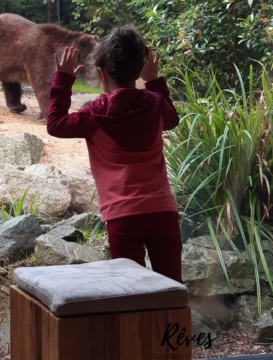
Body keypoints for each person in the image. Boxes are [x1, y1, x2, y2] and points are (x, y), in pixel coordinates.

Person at [46, 25, 182, 283]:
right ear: (139, 71)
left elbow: (55, 124)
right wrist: (153, 80)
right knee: (174, 289)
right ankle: (174, 326)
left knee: (129, 294)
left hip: (123, 219)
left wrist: (63, 79)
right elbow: (172, 119)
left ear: (102, 74)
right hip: (163, 213)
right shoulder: (156, 104)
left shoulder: (94, 115)